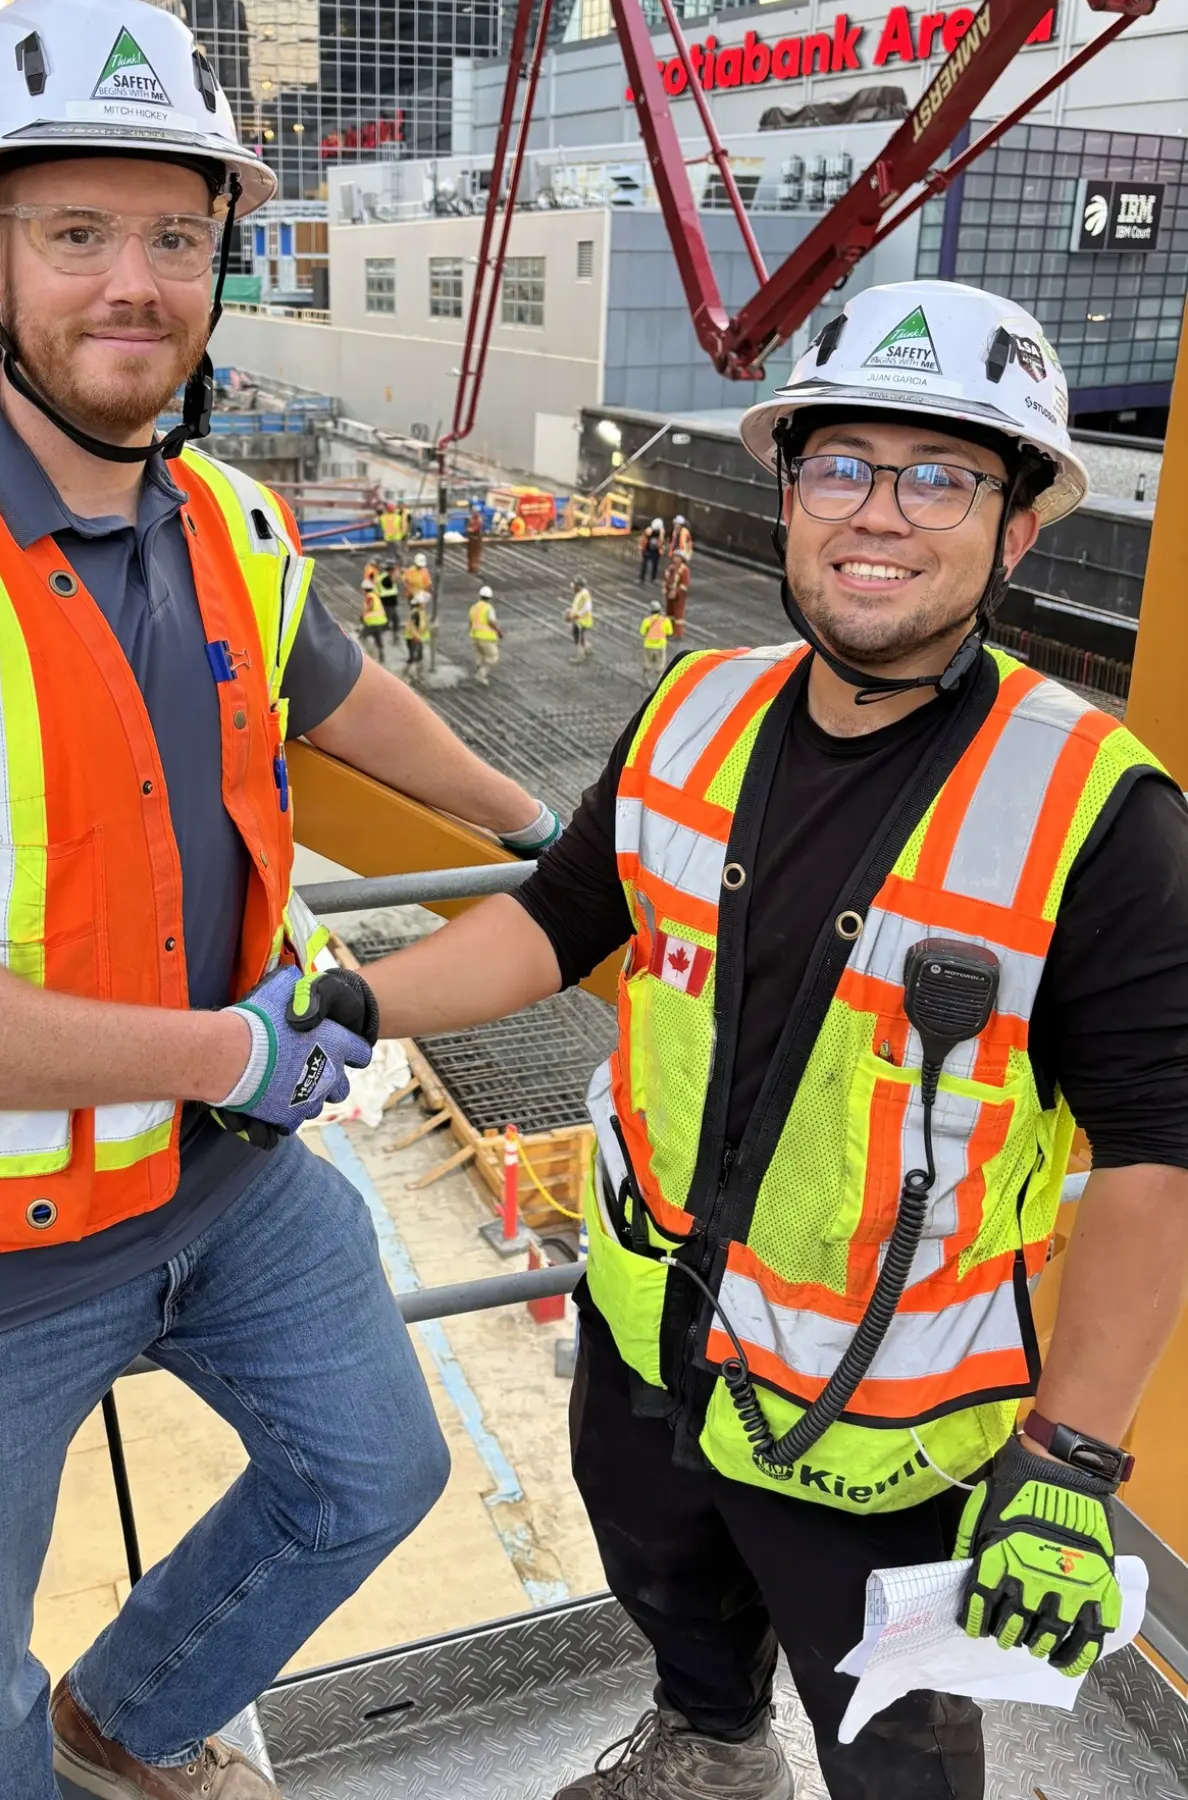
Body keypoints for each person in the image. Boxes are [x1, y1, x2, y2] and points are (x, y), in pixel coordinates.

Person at [0, 0, 565, 1800]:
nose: (134, 285)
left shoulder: (229, 530)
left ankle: (133, 1717)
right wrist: (222, 1052)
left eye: (175, 235)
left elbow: (336, 689)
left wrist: (532, 817)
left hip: (225, 1184)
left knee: (372, 1467)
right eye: (78, 232)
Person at [357, 281, 1188, 1800]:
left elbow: (1158, 1158)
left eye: (941, 474)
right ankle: (712, 1751)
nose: (881, 512)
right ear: (789, 489)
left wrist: (1070, 1462)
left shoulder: (1101, 818)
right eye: (842, 464)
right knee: (668, 1593)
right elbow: (551, 924)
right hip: (646, 1327)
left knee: (894, 1737)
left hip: (877, 1427)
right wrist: (355, 1004)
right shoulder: (691, 709)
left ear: (1018, 528)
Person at [469, 585, 502, 685]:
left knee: (480, 656)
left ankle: (480, 670)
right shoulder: (488, 608)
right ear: (490, 598)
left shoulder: (474, 608)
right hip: (486, 637)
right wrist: (499, 631)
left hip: (475, 636)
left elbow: (470, 622)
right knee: (492, 657)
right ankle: (481, 675)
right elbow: (491, 621)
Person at [662, 545, 691, 636]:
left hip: (679, 595)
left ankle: (678, 633)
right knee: (669, 612)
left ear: (682, 559)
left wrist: (676, 592)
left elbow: (684, 584)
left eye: (677, 557)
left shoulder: (684, 570)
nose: (675, 559)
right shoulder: (671, 568)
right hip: (669, 592)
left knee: (678, 613)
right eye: (674, 557)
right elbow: (666, 578)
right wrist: (665, 588)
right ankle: (670, 630)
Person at [639, 600, 671, 682]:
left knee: (648, 661)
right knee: (660, 662)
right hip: (661, 645)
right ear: (660, 610)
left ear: (650, 610)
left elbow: (642, 632)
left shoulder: (647, 620)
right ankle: (659, 678)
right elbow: (669, 632)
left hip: (648, 645)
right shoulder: (665, 620)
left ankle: (646, 676)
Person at [360, 575, 389, 662]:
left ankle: (370, 654)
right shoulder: (375, 595)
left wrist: (363, 614)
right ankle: (381, 655)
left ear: (365, 589)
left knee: (362, 637)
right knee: (378, 638)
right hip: (381, 622)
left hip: (372, 623)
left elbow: (370, 606)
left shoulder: (369, 596)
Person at [403, 591, 431, 678]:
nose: (425, 604)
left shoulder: (420, 611)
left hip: (417, 637)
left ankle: (416, 672)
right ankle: (406, 673)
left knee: (419, 655)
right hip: (413, 638)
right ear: (419, 603)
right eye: (424, 603)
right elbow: (412, 626)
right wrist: (416, 636)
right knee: (413, 656)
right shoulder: (415, 612)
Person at [567, 576, 594, 662]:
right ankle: (587, 648)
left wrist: (577, 614)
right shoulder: (580, 594)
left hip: (583, 621)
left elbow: (588, 607)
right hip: (579, 620)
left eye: (574, 586)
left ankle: (580, 656)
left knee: (579, 638)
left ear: (578, 586)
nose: (573, 588)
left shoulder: (584, 594)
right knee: (579, 637)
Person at [377, 559, 402, 631]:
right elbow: (393, 580)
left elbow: (397, 579)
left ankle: (395, 636)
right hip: (387, 604)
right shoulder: (385, 578)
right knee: (386, 622)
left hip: (392, 604)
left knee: (396, 621)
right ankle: (377, 634)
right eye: (393, 570)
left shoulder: (386, 576)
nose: (395, 571)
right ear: (390, 570)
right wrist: (398, 570)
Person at [638, 517, 664, 585]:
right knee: (644, 564)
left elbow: (660, 542)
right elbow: (643, 539)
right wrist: (641, 547)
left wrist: (661, 535)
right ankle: (642, 578)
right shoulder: (648, 530)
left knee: (654, 565)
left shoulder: (661, 532)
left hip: (655, 551)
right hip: (647, 549)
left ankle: (653, 579)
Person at [466, 502, 486, 575]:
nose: (474, 513)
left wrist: (469, 529)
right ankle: (470, 568)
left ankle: (474, 569)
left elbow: (473, 529)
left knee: (475, 555)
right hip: (471, 539)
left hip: (476, 540)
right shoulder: (472, 519)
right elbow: (469, 527)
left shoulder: (478, 520)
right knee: (470, 555)